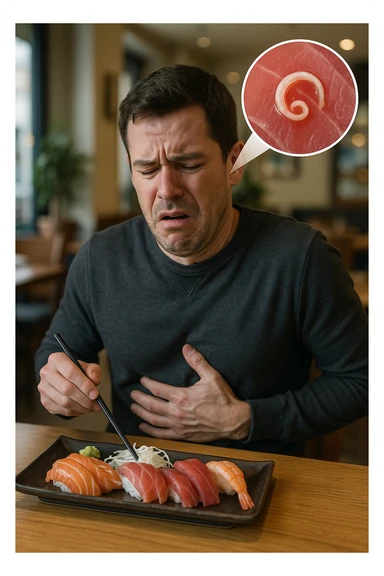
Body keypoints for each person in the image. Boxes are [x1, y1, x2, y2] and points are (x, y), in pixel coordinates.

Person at [35, 64, 368, 456]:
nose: (167, 190)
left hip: (269, 485)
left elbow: (362, 380)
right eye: (147, 169)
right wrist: (59, 381)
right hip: (135, 482)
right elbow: (58, 350)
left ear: (234, 164)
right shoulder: (99, 259)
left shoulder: (300, 258)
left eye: (189, 165)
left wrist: (246, 418)